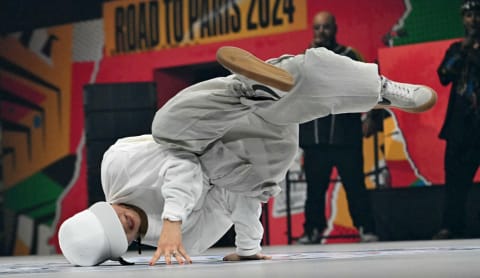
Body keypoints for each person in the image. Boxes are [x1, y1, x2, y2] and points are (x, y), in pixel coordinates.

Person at [58, 45, 437, 267]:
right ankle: (268, 90)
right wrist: (248, 250)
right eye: (120, 231)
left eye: (112, 215)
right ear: (121, 249)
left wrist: (173, 216)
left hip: (215, 119)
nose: (123, 218)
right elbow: (234, 202)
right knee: (244, 170)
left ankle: (376, 89)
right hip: (254, 160)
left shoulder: (116, 165)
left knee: (168, 128)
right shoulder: (185, 244)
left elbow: (180, 158)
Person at [297, 11, 378, 245]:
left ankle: (366, 227)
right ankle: (312, 230)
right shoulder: (304, 59)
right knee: (314, 191)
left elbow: (372, 84)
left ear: (335, 29)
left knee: (355, 187)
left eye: (326, 27)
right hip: (315, 138)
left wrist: (372, 117)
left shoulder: (350, 55)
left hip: (346, 137)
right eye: (317, 28)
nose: (321, 32)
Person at [433, 0, 480, 240]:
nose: (474, 19)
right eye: (469, 15)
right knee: (455, 184)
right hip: (460, 127)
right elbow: (443, 75)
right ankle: (451, 227)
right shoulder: (456, 49)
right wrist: (465, 49)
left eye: (477, 14)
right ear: (463, 19)